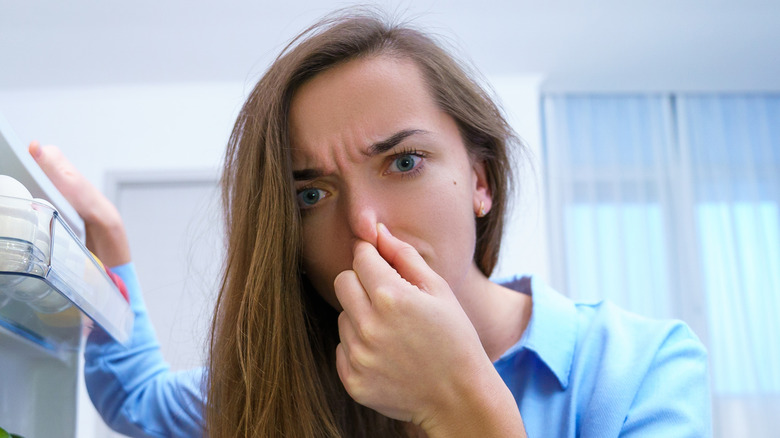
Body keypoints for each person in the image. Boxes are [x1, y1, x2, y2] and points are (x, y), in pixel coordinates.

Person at [29, 9, 711, 438]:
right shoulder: (286, 379)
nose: (362, 223)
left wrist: (459, 401)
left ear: (479, 179)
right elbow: (139, 400)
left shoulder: (638, 370)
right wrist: (109, 243)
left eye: (404, 161)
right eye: (310, 196)